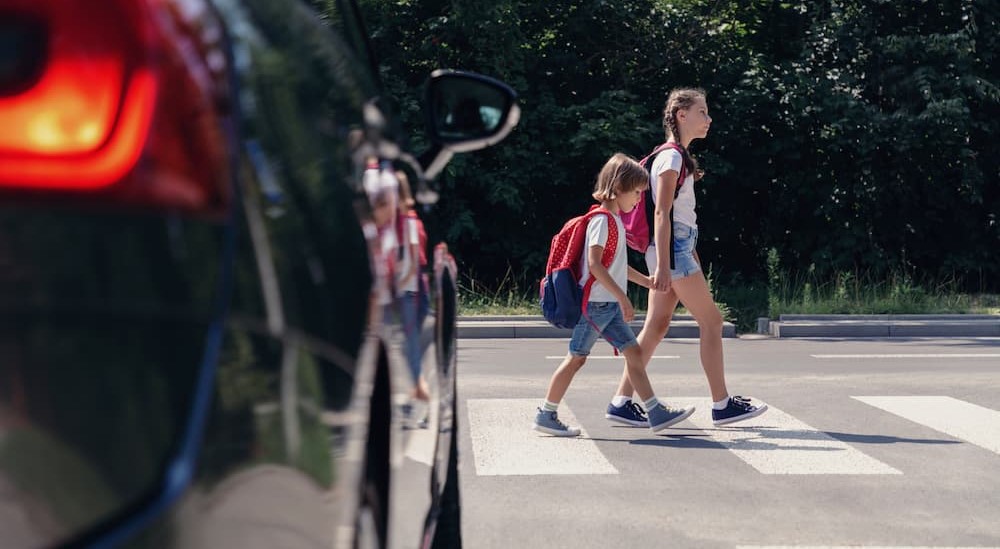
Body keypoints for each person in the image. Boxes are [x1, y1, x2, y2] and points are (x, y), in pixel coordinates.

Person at [605, 88, 768, 427]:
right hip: (671, 251)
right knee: (712, 322)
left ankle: (621, 402)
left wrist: (685, 254)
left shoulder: (676, 157)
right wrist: (666, 265)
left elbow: (678, 217)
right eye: (702, 112)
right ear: (681, 114)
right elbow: (662, 213)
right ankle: (722, 404)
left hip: (676, 249)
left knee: (656, 326)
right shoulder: (672, 158)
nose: (708, 119)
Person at [533, 153, 696, 437]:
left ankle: (655, 411)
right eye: (635, 193)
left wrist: (646, 281)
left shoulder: (614, 221)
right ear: (618, 188)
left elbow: (616, 266)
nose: (637, 200)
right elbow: (595, 265)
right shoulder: (602, 220)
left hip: (604, 305)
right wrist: (623, 297)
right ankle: (546, 413)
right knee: (576, 358)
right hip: (596, 305)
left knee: (633, 353)